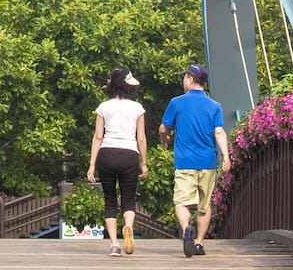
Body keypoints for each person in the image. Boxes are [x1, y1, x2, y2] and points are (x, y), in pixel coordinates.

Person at [159, 64, 230, 258]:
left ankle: (186, 229)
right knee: (204, 206)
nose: (183, 81)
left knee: (182, 202)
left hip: (185, 162)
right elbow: (218, 131)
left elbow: (163, 128)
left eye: (185, 77)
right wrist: (226, 156)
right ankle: (198, 243)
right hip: (208, 162)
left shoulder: (177, 102)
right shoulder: (214, 106)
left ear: (190, 79)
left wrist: (164, 141)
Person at [86, 68, 148, 256]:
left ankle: (114, 245)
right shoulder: (137, 108)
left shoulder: (103, 107)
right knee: (128, 199)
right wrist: (143, 162)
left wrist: (92, 165)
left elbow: (98, 137)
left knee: (110, 201)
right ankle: (128, 226)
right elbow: (141, 138)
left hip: (107, 153)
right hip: (129, 154)